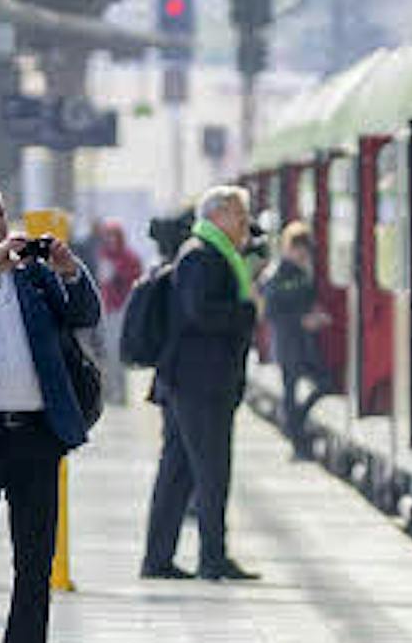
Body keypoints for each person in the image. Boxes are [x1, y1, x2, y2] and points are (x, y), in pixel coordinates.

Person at [0, 184, 101, 643]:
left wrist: (69, 269)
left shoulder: (32, 276)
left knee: (35, 563)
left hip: (35, 436)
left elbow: (84, 315)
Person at [140, 185, 262, 582]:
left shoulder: (209, 254)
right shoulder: (202, 257)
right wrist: (245, 312)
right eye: (240, 217)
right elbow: (200, 313)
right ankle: (212, 558)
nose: (245, 226)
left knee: (178, 471)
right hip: (199, 383)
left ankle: (158, 560)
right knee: (211, 470)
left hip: (193, 380)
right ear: (219, 215)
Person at [260, 221, 329, 458]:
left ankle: (296, 425)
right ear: (287, 248)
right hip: (287, 342)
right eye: (297, 247)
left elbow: (308, 300)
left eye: (305, 248)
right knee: (290, 391)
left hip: (305, 343)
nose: (302, 252)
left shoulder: (303, 273)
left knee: (324, 383)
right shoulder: (276, 274)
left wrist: (315, 314)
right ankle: (297, 440)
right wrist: (302, 320)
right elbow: (270, 312)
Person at [92, 218, 143, 406]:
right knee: (105, 354)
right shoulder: (102, 255)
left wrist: (119, 276)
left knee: (116, 354)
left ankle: (120, 394)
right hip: (106, 308)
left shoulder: (130, 257)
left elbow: (136, 281)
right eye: (108, 236)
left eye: (114, 236)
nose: (111, 240)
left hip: (122, 309)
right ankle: (108, 393)